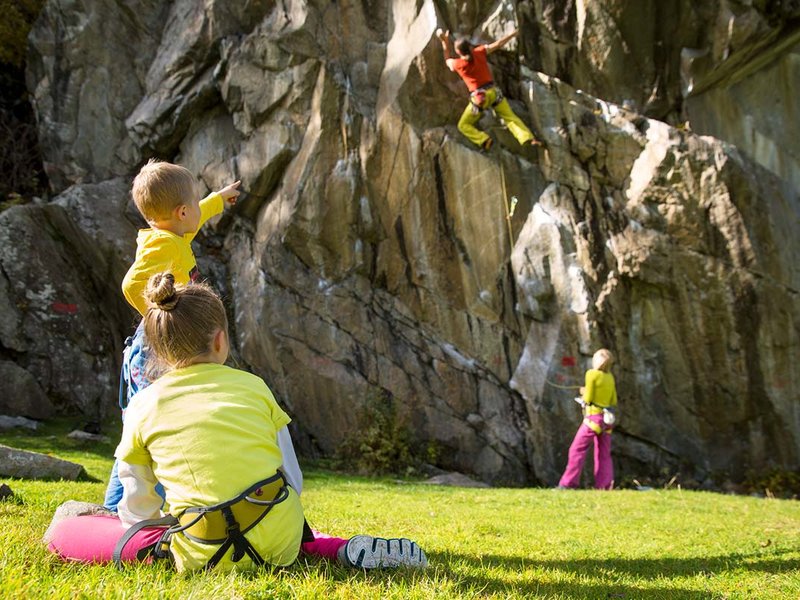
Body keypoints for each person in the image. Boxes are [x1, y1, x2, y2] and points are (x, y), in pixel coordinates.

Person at [47, 274, 428, 571]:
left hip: (199, 551)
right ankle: (336, 547)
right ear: (219, 340)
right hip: (280, 543)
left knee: (69, 529)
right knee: (282, 518)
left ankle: (320, 544)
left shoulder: (144, 403)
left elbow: (136, 504)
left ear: (159, 351)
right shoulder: (255, 387)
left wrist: (156, 523)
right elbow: (292, 480)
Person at [103, 158, 240, 510]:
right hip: (154, 351)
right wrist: (158, 315)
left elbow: (195, 218)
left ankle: (130, 505)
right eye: (195, 204)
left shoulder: (174, 233)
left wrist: (216, 199)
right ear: (181, 212)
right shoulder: (163, 245)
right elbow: (132, 284)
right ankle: (117, 507)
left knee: (151, 426)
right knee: (148, 428)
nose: (198, 209)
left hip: (162, 347)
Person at [437, 28, 540, 152]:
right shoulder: (479, 52)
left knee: (463, 125)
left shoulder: (459, 64)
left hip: (480, 99)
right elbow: (498, 44)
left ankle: (484, 140)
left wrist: (445, 42)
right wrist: (513, 33)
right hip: (494, 93)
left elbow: (447, 60)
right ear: (469, 46)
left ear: (458, 52)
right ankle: (527, 138)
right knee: (510, 117)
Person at [557, 349, 618, 490]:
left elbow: (588, 398)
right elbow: (613, 399)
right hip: (607, 421)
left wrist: (584, 393)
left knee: (576, 449)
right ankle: (605, 486)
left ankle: (568, 483)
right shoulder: (610, 377)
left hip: (594, 418)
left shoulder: (591, 374)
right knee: (603, 454)